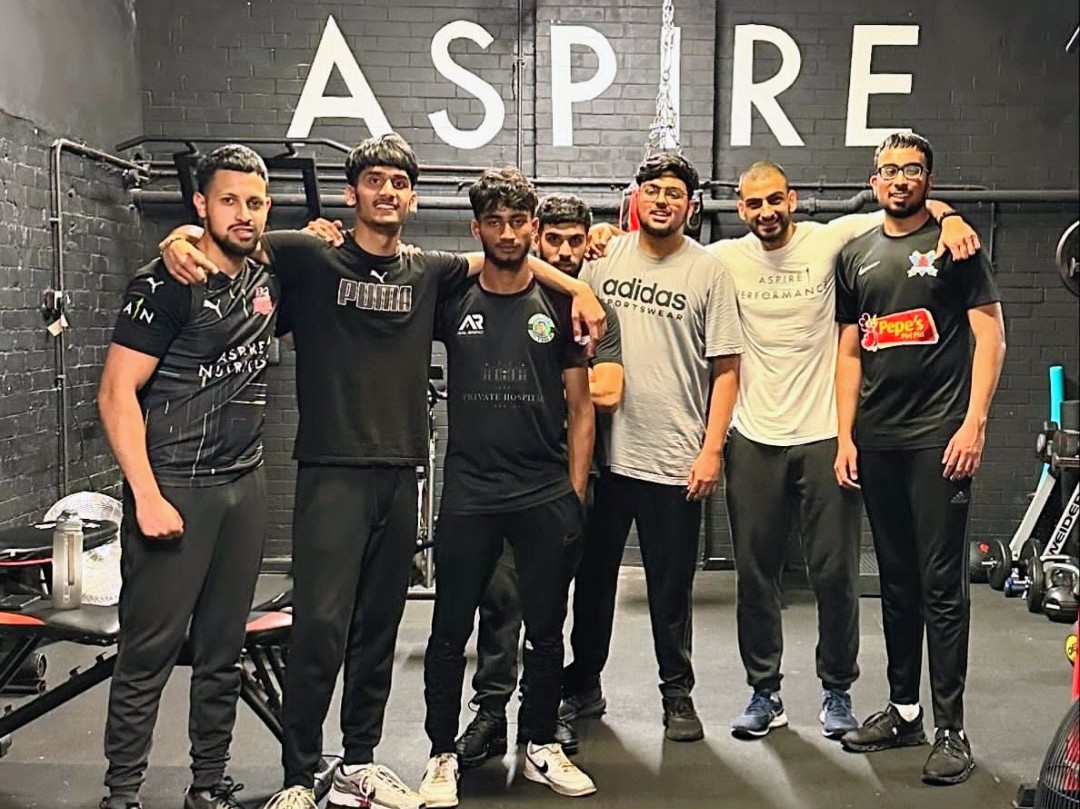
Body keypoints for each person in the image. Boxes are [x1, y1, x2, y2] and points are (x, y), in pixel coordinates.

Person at [158, 134, 605, 809]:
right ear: (352, 192)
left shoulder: (430, 271)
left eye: (399, 182)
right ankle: (302, 775)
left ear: (412, 196)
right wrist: (183, 234)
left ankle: (360, 760)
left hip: (402, 473)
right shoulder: (311, 254)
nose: (387, 192)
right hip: (331, 471)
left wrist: (577, 284)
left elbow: (506, 262)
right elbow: (235, 237)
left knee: (379, 630)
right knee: (319, 629)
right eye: (374, 181)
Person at [705, 161, 981, 740]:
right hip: (753, 438)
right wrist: (608, 236)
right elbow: (666, 246)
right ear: (739, 207)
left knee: (834, 576)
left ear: (793, 198)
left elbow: (901, 204)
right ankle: (765, 693)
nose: (766, 212)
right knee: (756, 577)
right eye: (753, 204)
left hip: (827, 438)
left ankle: (837, 691)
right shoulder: (724, 258)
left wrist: (951, 214)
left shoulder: (831, 239)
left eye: (775, 200)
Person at [97, 145, 277, 809]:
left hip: (243, 484)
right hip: (175, 484)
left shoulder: (267, 272)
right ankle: (122, 793)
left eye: (254, 202)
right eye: (228, 199)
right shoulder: (164, 281)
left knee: (223, 651)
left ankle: (208, 782)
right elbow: (117, 393)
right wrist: (145, 494)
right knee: (147, 653)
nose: (243, 214)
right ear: (200, 204)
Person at [417, 169, 597, 807]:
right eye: (494, 222)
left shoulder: (562, 308)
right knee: (448, 632)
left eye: (519, 222)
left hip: (543, 493)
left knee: (546, 630)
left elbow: (581, 407)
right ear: (477, 229)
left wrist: (573, 493)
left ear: (535, 229)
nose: (508, 234)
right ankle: (441, 754)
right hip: (471, 493)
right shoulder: (449, 299)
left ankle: (541, 744)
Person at [833, 132, 1006, 785]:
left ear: (929, 178)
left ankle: (951, 727)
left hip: (940, 437)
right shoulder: (854, 254)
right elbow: (851, 350)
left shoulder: (956, 244)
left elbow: (990, 334)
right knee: (897, 582)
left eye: (912, 169)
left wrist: (975, 423)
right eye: (889, 169)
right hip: (877, 439)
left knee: (941, 586)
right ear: (874, 179)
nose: (900, 178)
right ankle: (904, 710)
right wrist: (846, 435)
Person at [559, 153, 743, 742]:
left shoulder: (709, 272)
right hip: (605, 458)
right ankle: (583, 684)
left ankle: (677, 695)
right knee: (592, 584)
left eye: (673, 192)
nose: (661, 200)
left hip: (674, 458)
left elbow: (727, 368)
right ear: (635, 197)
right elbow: (568, 321)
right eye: (651, 190)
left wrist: (712, 448)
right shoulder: (602, 256)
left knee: (671, 589)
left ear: (689, 205)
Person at [454, 194, 623, 768]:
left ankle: (551, 711)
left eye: (577, 241)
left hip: (567, 479)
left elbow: (603, 394)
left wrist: (575, 492)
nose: (566, 251)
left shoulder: (591, 310)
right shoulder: (533, 291)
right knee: (500, 599)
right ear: (537, 238)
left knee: (565, 602)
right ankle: (491, 711)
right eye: (555, 240)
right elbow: (488, 260)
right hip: (498, 482)